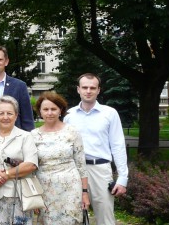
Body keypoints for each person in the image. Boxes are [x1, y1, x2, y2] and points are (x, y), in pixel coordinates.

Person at [64, 74, 128, 225]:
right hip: (75, 170)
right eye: (84, 87)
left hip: (100, 170)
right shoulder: (69, 115)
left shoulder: (109, 113)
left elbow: (118, 145)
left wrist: (123, 178)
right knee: (76, 217)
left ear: (98, 90)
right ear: (78, 89)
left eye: (92, 87)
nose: (88, 91)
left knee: (105, 218)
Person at [31, 91, 89, 224]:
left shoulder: (72, 132)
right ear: (40, 111)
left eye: (53, 109)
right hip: (45, 189)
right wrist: (35, 195)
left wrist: (84, 193)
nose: (49, 113)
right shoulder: (33, 135)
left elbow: (81, 164)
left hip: (71, 188)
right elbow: (32, 169)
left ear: (60, 110)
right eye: (45, 109)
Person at [0, 95, 39, 225]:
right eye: (1, 113)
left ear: (16, 115)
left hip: (20, 196)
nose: (5, 117)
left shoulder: (26, 136)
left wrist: (5, 175)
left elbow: (31, 165)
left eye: (9, 113)